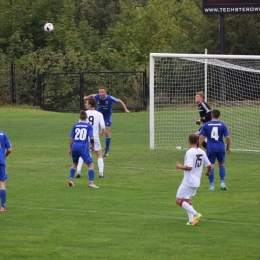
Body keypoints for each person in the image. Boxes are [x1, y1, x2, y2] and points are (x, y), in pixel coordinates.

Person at [83, 86, 130, 157]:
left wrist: (125, 109)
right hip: (99, 113)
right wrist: (86, 97)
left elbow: (120, 101)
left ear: (105, 93)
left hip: (108, 115)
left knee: (107, 132)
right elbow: (92, 95)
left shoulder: (109, 98)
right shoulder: (97, 96)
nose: (100, 93)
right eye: (99, 92)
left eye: (102, 92)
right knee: (93, 129)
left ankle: (107, 149)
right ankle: (92, 146)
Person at [176, 134, 211, 226]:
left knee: (178, 200)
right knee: (187, 201)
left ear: (188, 141)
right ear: (197, 141)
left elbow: (189, 167)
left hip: (188, 181)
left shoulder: (190, 152)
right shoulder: (202, 152)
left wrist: (180, 167)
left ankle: (196, 214)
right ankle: (191, 221)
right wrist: (208, 172)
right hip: (196, 181)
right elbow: (209, 165)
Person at [199, 109, 230, 192]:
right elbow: (227, 137)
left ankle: (212, 186)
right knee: (221, 164)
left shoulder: (206, 125)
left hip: (210, 148)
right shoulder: (223, 125)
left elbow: (201, 137)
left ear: (211, 115)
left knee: (211, 165)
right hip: (220, 147)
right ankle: (222, 184)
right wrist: (228, 147)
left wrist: (199, 147)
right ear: (218, 116)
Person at [68, 110, 99, 188]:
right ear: (87, 117)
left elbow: (71, 138)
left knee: (75, 163)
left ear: (79, 117)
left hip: (75, 146)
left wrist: (70, 148)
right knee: (91, 164)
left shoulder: (75, 125)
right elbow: (91, 137)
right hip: (83, 147)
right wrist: (93, 146)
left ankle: (71, 180)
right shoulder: (89, 126)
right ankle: (91, 183)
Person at [76, 98, 106, 178]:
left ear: (90, 104)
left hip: (84, 137)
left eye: (86, 103)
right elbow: (103, 126)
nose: (85, 104)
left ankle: (78, 171)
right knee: (99, 154)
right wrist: (102, 131)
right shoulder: (99, 114)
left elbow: (79, 124)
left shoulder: (84, 113)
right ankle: (101, 173)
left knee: (82, 154)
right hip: (94, 137)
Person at [0, 130, 12, 212]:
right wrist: (4, 156)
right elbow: (9, 149)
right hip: (1, 161)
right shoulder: (3, 134)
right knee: (2, 182)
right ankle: (3, 206)